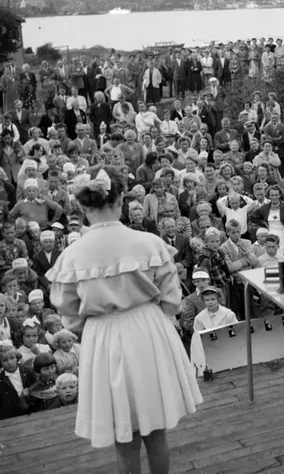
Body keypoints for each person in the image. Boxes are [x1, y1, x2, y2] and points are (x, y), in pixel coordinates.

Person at [46, 166, 202, 472]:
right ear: (120, 201)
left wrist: (94, 325)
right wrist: (153, 315)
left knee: (124, 435)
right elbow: (172, 299)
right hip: (148, 330)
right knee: (156, 432)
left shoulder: (72, 255)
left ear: (84, 208)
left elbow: (67, 311)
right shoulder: (149, 243)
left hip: (103, 337)